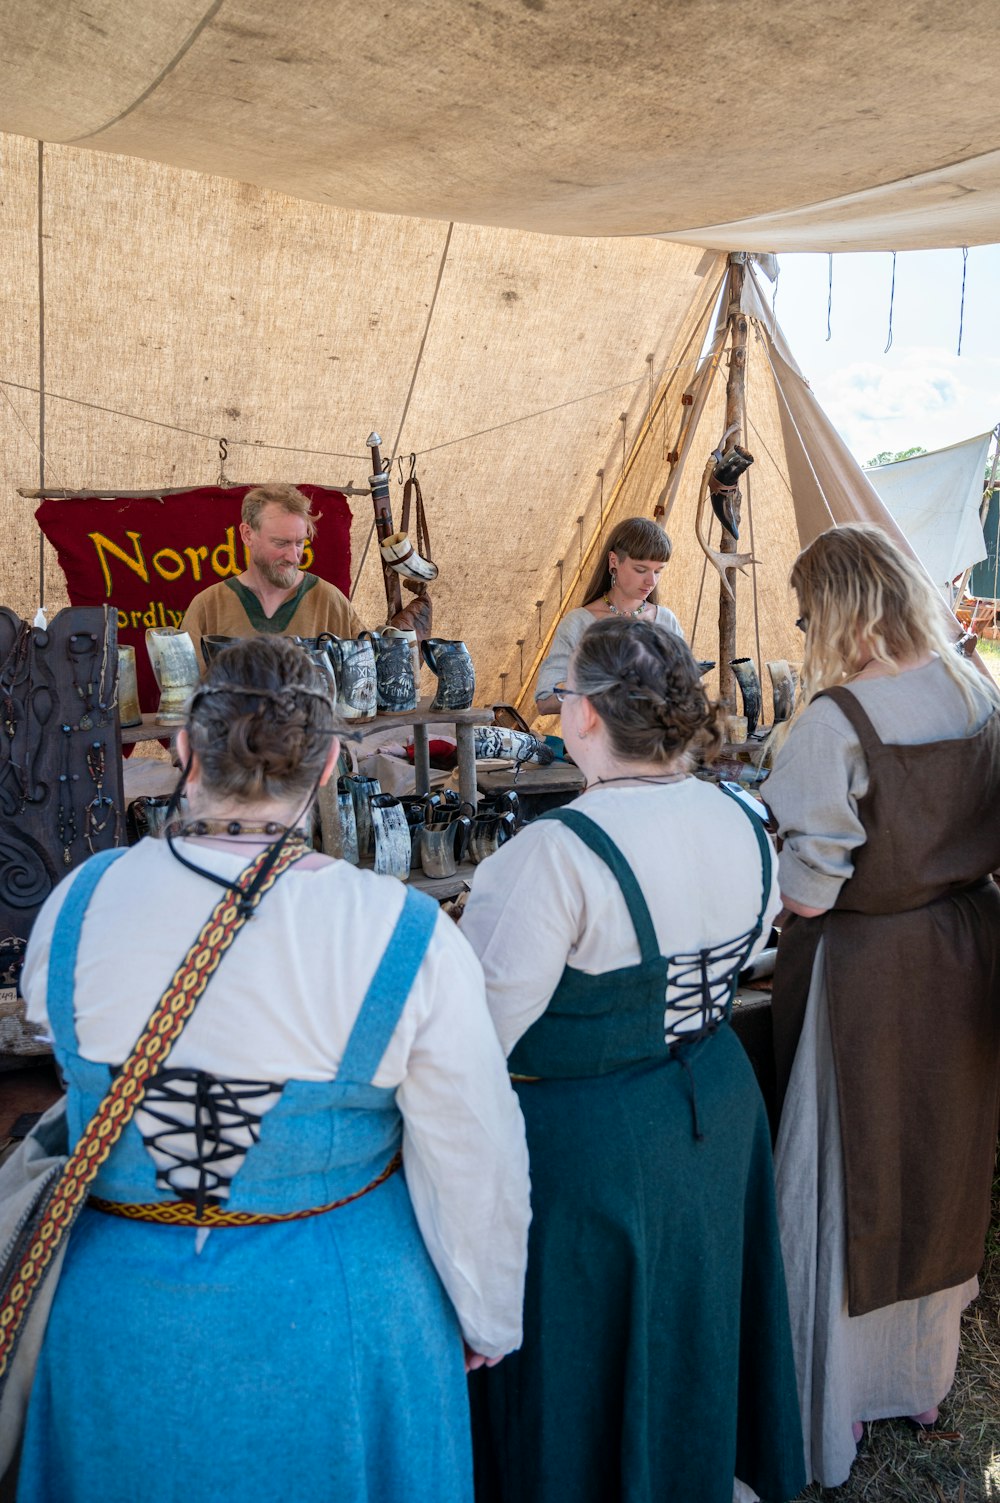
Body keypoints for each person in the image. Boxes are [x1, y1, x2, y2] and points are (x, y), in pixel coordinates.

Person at [16, 636, 530, 1503]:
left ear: (184, 747)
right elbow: (474, 1155)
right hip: (339, 1328)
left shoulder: (81, 901)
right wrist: (486, 1312)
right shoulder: (396, 929)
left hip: (116, 1325)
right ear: (330, 763)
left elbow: (53, 1037)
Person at [462, 617, 806, 1503]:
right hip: (718, 1108)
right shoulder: (745, 815)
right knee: (691, 1317)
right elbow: (761, 939)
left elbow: (472, 1038)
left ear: (587, 716)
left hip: (591, 1150)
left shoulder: (550, 855)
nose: (561, 708)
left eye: (566, 693)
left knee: (582, 1355)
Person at [764, 523, 1000, 1489]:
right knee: (939, 1165)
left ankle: (841, 1400)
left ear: (840, 608)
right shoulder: (976, 687)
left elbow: (810, 894)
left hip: (869, 974)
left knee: (845, 1178)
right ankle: (917, 1376)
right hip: (966, 951)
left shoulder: (836, 721)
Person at [180, 483, 367, 667]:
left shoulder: (330, 602)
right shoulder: (208, 607)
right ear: (247, 535)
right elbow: (182, 692)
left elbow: (365, 680)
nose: (293, 557)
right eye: (281, 543)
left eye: (299, 543)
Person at [534, 516, 683, 715]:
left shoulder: (666, 620)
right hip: (594, 743)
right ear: (614, 561)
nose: (651, 581)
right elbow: (545, 701)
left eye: (658, 571)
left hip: (657, 743)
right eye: (641, 569)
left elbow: (691, 690)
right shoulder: (578, 622)